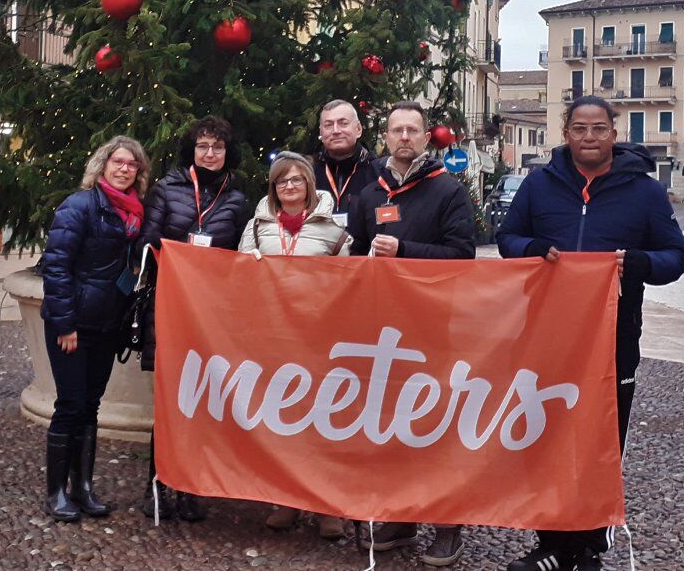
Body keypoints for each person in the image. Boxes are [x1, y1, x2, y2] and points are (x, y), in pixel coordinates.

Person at [496, 95, 684, 571]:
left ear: (613, 133)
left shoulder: (643, 192)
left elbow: (676, 255)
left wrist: (641, 263)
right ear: (565, 134)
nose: (589, 137)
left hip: (615, 335)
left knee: (601, 439)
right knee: (548, 434)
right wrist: (533, 248)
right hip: (547, 332)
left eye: (598, 129)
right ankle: (550, 542)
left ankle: (586, 545)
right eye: (580, 129)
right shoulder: (539, 185)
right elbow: (507, 239)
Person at [348, 101, 477, 568]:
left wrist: (404, 249)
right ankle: (400, 516)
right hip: (382, 329)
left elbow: (463, 255)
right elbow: (360, 256)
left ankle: (447, 524)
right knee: (390, 425)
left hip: (433, 327)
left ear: (427, 138)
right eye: (396, 130)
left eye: (413, 130)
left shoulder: (448, 191)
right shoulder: (368, 195)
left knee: (437, 425)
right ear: (385, 138)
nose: (404, 138)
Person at [137, 116, 250, 522]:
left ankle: (188, 488)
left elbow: (241, 257)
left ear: (227, 152)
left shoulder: (236, 199)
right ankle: (157, 484)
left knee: (199, 403)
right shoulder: (167, 191)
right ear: (192, 150)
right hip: (170, 308)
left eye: (217, 147)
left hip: (212, 317)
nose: (210, 153)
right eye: (203, 146)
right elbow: (147, 247)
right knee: (169, 401)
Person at [238, 152, 350, 541]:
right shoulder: (256, 227)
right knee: (282, 421)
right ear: (273, 187)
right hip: (273, 337)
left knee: (322, 420)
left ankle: (326, 507)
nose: (289, 186)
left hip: (319, 337)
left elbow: (348, 281)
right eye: (282, 181)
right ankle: (285, 498)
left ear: (308, 184)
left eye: (296, 180)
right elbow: (238, 273)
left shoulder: (333, 229)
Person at [40, 135, 151, 522]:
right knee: (69, 404)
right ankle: (56, 492)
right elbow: (55, 268)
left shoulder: (135, 214)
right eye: (118, 162)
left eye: (131, 164)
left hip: (107, 325)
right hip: (74, 325)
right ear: (102, 165)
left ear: (139, 172)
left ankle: (83, 487)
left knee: (90, 405)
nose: (124, 169)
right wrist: (64, 323)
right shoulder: (80, 206)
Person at [313, 99, 378, 227]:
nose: (336, 130)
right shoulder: (309, 174)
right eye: (328, 125)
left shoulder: (378, 172)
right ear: (321, 132)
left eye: (343, 123)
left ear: (358, 129)